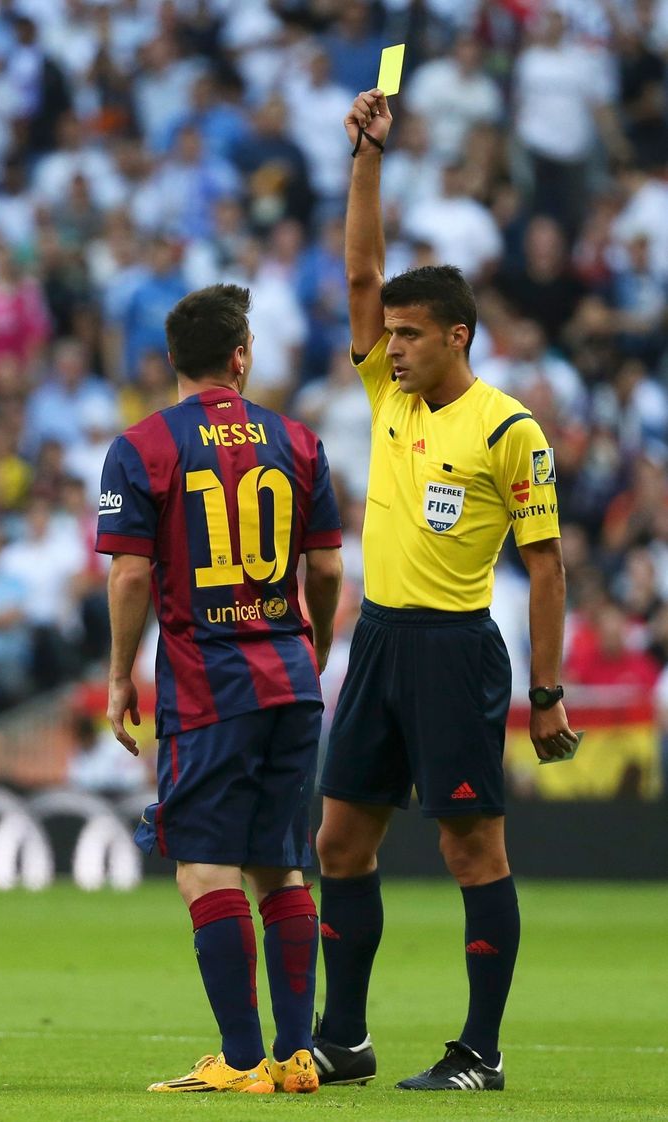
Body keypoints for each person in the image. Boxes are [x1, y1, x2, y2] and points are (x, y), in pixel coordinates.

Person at [312, 89, 576, 1093]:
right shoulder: (387, 387)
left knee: (471, 847)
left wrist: (545, 692)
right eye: (386, 335)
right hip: (377, 641)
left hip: (455, 651)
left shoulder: (508, 431)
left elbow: (546, 566)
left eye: (409, 336)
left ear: (456, 337)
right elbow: (360, 271)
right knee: (338, 838)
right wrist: (365, 159)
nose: (390, 347)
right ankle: (345, 1036)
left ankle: (481, 1050)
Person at [95, 284, 343, 1095]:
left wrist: (117, 677)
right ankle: (297, 1053)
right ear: (242, 355)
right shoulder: (299, 440)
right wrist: (314, 646)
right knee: (282, 865)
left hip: (208, 687)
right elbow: (330, 565)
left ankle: (241, 1062)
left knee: (205, 868)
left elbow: (132, 571)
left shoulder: (142, 446)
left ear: (174, 360)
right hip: (290, 681)